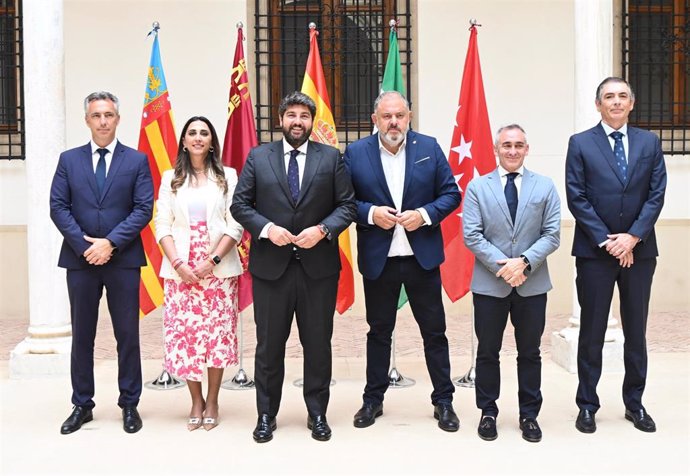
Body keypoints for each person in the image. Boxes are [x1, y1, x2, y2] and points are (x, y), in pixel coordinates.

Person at [231, 91, 356, 443]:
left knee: (318, 344)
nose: (297, 121)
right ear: (280, 119)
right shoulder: (259, 157)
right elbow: (240, 205)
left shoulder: (331, 158)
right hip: (271, 269)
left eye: (304, 115)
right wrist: (268, 230)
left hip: (319, 269)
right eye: (291, 115)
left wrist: (323, 230)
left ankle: (317, 413)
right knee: (269, 346)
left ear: (311, 121)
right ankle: (266, 415)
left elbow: (346, 206)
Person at [343, 91, 461, 432]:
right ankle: (373, 400)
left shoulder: (429, 148)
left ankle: (444, 401)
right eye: (387, 116)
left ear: (409, 117)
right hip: (380, 259)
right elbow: (345, 201)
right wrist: (370, 213)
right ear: (375, 120)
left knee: (434, 333)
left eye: (400, 116)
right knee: (379, 332)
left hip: (421, 257)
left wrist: (424, 214)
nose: (394, 122)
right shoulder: (355, 152)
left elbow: (451, 193)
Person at [566, 77, 667, 434]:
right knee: (591, 331)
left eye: (622, 96)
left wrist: (633, 238)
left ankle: (635, 403)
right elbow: (576, 197)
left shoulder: (649, 142)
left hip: (639, 253)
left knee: (635, 330)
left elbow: (656, 194)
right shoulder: (580, 143)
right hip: (596, 253)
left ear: (632, 103)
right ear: (598, 105)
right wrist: (610, 242)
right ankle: (587, 405)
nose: (616, 102)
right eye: (609, 96)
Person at [50, 91, 153, 434]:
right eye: (97, 115)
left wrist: (110, 243)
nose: (103, 121)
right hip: (81, 262)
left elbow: (143, 209)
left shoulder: (136, 160)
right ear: (87, 120)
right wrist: (85, 247)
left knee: (127, 334)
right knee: (82, 335)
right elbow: (58, 207)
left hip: (122, 260)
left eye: (109, 115)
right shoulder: (69, 160)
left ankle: (129, 404)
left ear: (118, 119)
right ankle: (82, 404)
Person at [463, 124, 560, 443]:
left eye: (519, 145)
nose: (513, 151)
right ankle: (488, 412)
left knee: (529, 352)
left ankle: (529, 414)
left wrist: (525, 263)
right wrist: (504, 267)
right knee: (488, 351)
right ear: (496, 149)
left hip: (532, 285)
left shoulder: (545, 186)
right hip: (490, 286)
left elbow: (552, 234)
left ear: (527, 149)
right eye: (507, 145)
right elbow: (472, 235)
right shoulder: (478, 187)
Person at [154, 116, 244, 431]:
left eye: (204, 133)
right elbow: (161, 223)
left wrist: (213, 260)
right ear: (183, 140)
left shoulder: (227, 176)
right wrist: (179, 263)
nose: (197, 137)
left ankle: (214, 399)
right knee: (187, 337)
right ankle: (195, 399)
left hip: (217, 267)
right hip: (182, 269)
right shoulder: (170, 178)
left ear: (211, 141)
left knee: (217, 334)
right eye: (192, 132)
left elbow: (236, 222)